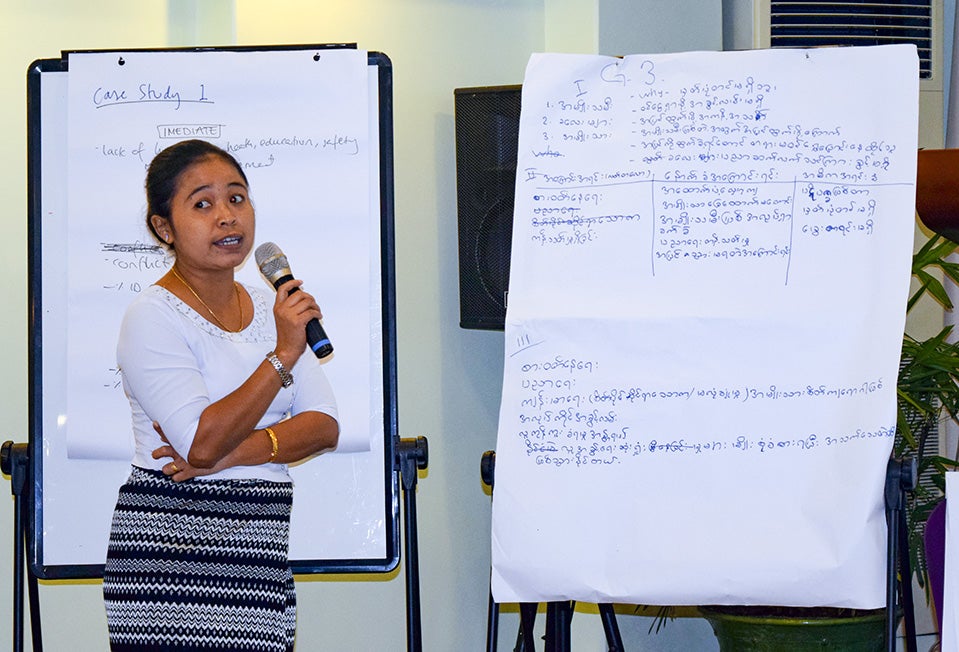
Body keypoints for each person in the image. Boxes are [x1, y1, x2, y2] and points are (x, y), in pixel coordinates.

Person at [102, 139, 339, 652]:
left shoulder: (274, 307)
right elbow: (199, 442)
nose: (227, 217)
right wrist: (280, 358)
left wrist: (230, 451)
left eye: (237, 198)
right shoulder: (152, 316)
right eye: (203, 204)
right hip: (171, 570)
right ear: (164, 228)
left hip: (259, 562)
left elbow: (323, 425)